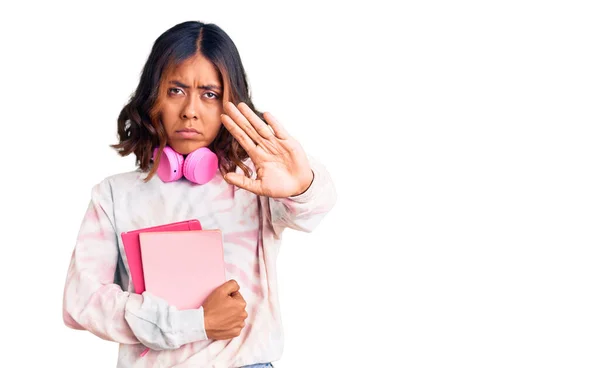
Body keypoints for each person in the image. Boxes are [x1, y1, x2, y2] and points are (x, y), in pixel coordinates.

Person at [61, 20, 336, 368]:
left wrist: (302, 184)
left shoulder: (256, 184)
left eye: (210, 94)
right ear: (152, 98)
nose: (191, 110)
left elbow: (315, 209)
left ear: (229, 103)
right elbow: (81, 301)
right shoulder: (113, 195)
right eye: (176, 90)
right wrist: (195, 324)